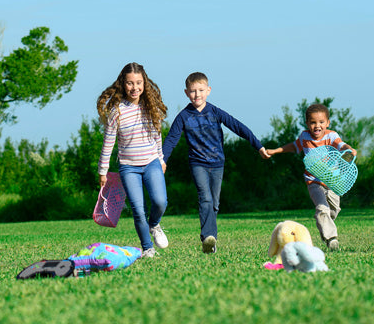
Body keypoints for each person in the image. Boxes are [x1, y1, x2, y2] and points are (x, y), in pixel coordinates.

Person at [162, 72, 270, 254]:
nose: (197, 94)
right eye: (193, 91)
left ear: (208, 90)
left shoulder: (215, 112)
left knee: (214, 204)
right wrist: (163, 160)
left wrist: (258, 146)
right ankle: (208, 236)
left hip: (217, 163)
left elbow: (238, 127)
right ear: (186, 93)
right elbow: (171, 139)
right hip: (197, 163)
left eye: (201, 90)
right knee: (205, 198)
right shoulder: (183, 116)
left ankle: (210, 244)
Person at [97, 62, 168, 257]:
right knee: (138, 210)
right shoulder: (117, 111)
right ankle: (148, 248)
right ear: (123, 84)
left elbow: (157, 136)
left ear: (144, 83)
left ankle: (154, 224)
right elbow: (108, 143)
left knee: (160, 202)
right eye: (130, 83)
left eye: (138, 83)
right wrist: (103, 171)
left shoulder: (151, 107)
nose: (134, 87)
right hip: (129, 168)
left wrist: (161, 159)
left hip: (152, 163)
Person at [266, 102, 356, 250]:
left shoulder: (331, 136)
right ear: (307, 123)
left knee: (334, 210)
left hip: (332, 181)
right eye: (313, 122)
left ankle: (323, 222)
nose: (317, 126)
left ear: (328, 123)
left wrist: (349, 149)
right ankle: (331, 239)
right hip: (313, 181)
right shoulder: (305, 137)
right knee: (322, 208)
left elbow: (341, 145)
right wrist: (276, 151)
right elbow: (294, 146)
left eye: (321, 122)